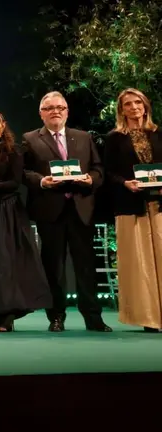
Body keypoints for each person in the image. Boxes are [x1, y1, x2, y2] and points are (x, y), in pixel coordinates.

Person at [21, 91, 111, 332]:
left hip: (81, 209)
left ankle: (93, 317)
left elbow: (98, 168)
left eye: (60, 107)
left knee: (86, 267)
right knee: (54, 268)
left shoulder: (83, 137)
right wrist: (42, 181)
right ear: (41, 113)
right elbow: (24, 172)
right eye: (49, 108)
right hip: (50, 210)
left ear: (67, 111)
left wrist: (89, 179)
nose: (55, 111)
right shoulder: (30, 139)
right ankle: (56, 316)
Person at [0, 110, 52, 331]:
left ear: (3, 125)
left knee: (5, 266)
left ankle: (6, 318)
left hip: (6, 211)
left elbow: (15, 182)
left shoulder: (13, 150)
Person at [103, 88, 162, 332]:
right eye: (128, 104)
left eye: (138, 102)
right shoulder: (115, 138)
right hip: (131, 205)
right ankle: (148, 318)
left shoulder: (159, 133)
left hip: (159, 204)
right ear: (121, 110)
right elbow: (107, 172)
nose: (134, 107)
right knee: (139, 263)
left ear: (145, 105)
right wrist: (125, 183)